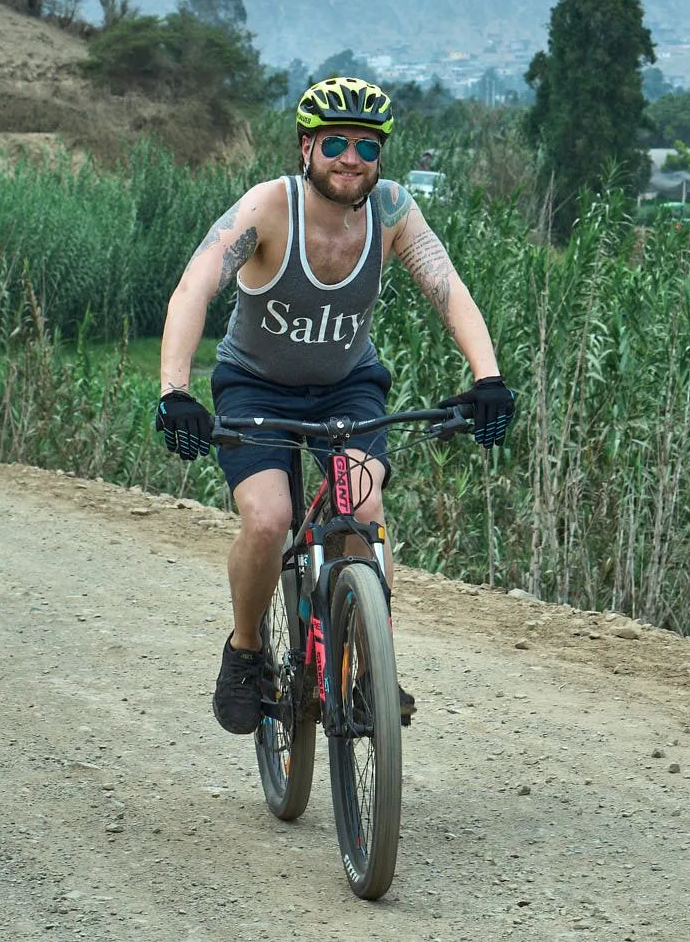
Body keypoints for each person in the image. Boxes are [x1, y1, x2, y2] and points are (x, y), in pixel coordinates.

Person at [155, 75, 514, 735]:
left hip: (348, 388)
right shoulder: (267, 209)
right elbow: (193, 287)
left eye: (367, 146)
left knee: (363, 506)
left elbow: (448, 289)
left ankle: (367, 670)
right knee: (269, 520)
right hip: (254, 385)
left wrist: (487, 377)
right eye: (336, 143)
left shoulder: (394, 212)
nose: (352, 158)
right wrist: (174, 391)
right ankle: (245, 653)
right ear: (305, 148)